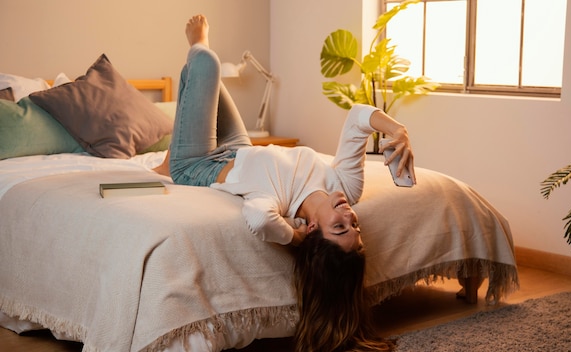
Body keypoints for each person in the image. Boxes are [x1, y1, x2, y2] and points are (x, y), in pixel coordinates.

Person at [154, 14, 416, 352]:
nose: (349, 215)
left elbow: (259, 220)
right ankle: (166, 157)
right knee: (205, 76)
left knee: (204, 60)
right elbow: (357, 119)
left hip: (198, 166)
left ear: (313, 230)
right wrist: (398, 131)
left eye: (339, 228)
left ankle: (173, 159)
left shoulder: (279, 206)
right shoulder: (347, 186)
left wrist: (292, 237)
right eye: (356, 226)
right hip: (239, 147)